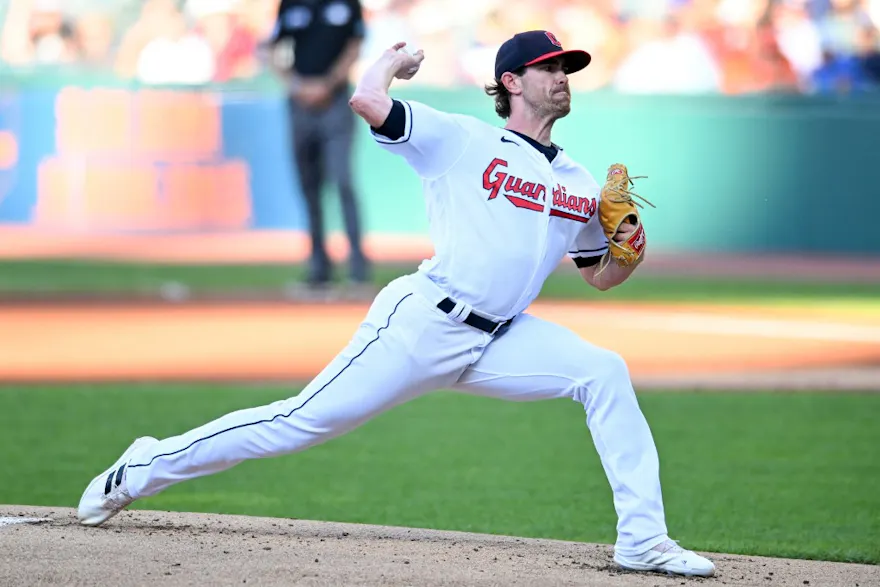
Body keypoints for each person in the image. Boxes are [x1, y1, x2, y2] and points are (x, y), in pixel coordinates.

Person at [77, 30, 716, 578]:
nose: (561, 79)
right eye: (548, 69)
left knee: (603, 372)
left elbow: (599, 276)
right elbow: (366, 100)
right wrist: (391, 62)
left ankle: (642, 541)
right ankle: (143, 465)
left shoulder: (579, 181)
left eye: (566, 70)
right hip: (420, 323)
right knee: (297, 423)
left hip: (499, 339)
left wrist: (628, 251)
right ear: (511, 82)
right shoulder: (462, 140)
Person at [268, 0, 370, 287]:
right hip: (299, 102)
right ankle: (318, 266)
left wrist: (328, 82)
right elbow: (274, 48)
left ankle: (357, 266)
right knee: (308, 184)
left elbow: (355, 45)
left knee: (342, 181)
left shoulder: (347, 3)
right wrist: (296, 85)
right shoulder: (290, 4)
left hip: (336, 99)